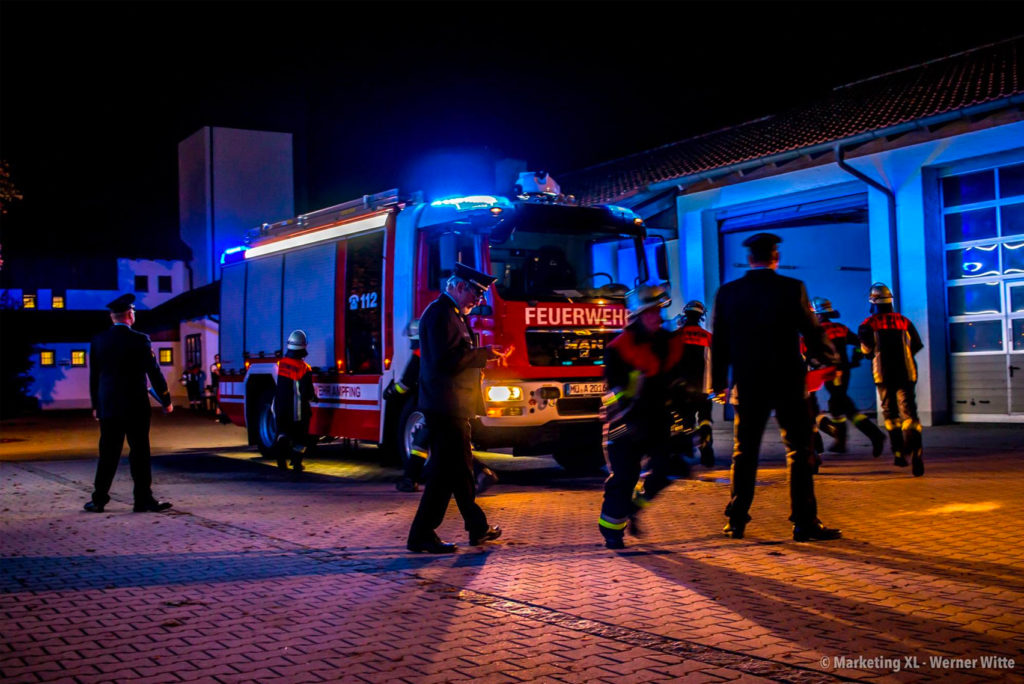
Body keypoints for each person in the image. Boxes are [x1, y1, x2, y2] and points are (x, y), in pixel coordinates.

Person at [711, 233, 842, 542]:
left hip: (748, 383)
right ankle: (804, 522)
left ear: (749, 258)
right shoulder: (791, 288)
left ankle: (736, 521)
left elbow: (719, 343)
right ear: (775, 257)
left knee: (744, 452)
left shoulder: (728, 293)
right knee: (799, 451)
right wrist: (825, 356)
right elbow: (810, 328)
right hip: (788, 383)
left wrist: (719, 384)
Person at [407, 263, 506, 553]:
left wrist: (481, 357)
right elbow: (445, 361)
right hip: (445, 406)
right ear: (459, 286)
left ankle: (476, 528)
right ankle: (422, 534)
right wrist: (482, 355)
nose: (480, 300)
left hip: (452, 406)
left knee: (459, 471)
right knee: (444, 475)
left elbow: (454, 356)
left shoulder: (451, 315)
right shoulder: (441, 315)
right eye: (476, 293)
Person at [598, 283, 687, 549]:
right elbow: (611, 391)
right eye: (651, 313)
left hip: (657, 420)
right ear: (638, 316)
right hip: (624, 424)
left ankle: (635, 507)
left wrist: (685, 408)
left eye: (659, 312)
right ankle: (612, 529)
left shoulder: (668, 344)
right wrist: (623, 411)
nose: (657, 318)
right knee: (625, 477)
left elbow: (676, 381)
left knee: (670, 468)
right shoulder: (619, 347)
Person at [84, 293, 174, 513]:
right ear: (130, 316)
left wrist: (96, 405)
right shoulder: (140, 339)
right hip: (136, 406)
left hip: (109, 407)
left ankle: (98, 500)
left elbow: (94, 376)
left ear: (112, 317)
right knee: (140, 453)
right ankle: (142, 499)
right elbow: (154, 371)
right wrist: (166, 399)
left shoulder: (98, 340)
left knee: (108, 454)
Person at [386, 347, 498, 494]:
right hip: (455, 399)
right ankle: (410, 479)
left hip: (434, 402)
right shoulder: (452, 350)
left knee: (448, 443)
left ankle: (481, 473)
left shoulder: (421, 353)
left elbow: (405, 385)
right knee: (434, 440)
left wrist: (391, 392)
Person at [857, 283, 925, 476]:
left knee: (890, 414)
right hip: (907, 373)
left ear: (873, 301)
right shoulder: (904, 321)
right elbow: (917, 345)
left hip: (884, 375)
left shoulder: (867, 324)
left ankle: (898, 453)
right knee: (910, 413)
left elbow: (867, 351)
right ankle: (917, 451)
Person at [808, 296, 886, 457]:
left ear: (819, 314)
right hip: (843, 371)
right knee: (836, 404)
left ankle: (874, 435)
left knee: (845, 406)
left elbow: (812, 354)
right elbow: (859, 343)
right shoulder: (841, 328)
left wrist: (815, 364)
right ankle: (841, 442)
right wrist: (856, 358)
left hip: (832, 372)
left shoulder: (819, 331)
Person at [673, 300, 715, 467]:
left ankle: (684, 452)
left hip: (681, 390)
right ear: (701, 316)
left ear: (686, 314)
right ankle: (706, 446)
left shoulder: (676, 336)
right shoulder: (708, 337)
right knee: (705, 419)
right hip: (704, 389)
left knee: (684, 421)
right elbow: (717, 363)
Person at [274, 330, 316, 472]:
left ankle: (281, 462)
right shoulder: (304, 368)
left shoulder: (281, 364)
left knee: (283, 433)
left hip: (281, 408)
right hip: (297, 411)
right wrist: (314, 398)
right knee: (301, 438)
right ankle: (296, 463)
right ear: (303, 347)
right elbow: (307, 392)